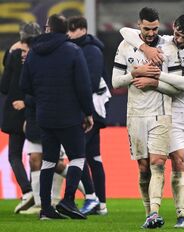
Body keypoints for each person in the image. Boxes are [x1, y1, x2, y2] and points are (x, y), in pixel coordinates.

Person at [120, 13, 184, 228]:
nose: (179, 39)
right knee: (178, 161)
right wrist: (146, 49)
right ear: (173, 28)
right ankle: (182, 213)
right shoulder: (165, 41)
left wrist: (154, 79)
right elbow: (125, 32)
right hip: (172, 111)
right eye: (177, 34)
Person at [112, 7, 181, 228]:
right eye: (146, 28)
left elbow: (178, 88)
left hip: (161, 114)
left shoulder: (169, 46)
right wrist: (136, 73)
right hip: (135, 115)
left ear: (159, 25)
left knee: (158, 163)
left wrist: (154, 83)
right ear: (138, 25)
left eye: (154, 28)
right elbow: (115, 82)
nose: (151, 33)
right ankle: (148, 214)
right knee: (143, 168)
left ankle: (154, 212)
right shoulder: (125, 46)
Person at [20, 14, 94, 220]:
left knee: (49, 161)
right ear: (65, 30)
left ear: (48, 29)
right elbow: (83, 86)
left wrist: (43, 96)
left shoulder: (34, 52)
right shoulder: (73, 51)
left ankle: (46, 209)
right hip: (69, 115)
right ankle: (68, 200)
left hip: (44, 115)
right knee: (78, 157)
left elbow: (24, 85)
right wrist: (88, 113)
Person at [67, 15, 111, 216]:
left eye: (71, 30)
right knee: (94, 156)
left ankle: (92, 196)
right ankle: (101, 204)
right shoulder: (86, 49)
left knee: (78, 152)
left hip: (91, 109)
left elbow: (91, 82)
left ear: (81, 29)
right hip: (90, 108)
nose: (68, 34)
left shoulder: (91, 50)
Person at [0, 22, 41, 214]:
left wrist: (10, 54)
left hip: (15, 112)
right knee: (43, 157)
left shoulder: (15, 54)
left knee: (14, 155)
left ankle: (27, 192)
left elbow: (5, 86)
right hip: (37, 111)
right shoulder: (43, 53)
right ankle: (42, 197)